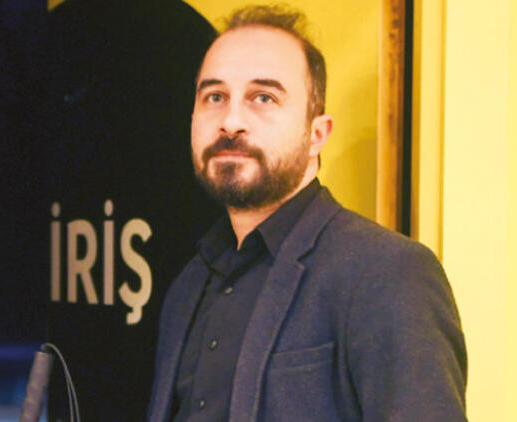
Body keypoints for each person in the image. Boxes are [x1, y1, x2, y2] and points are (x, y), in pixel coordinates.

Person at [147, 5, 467, 422]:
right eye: (215, 97)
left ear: (317, 134)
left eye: (263, 97)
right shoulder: (188, 285)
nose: (231, 121)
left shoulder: (389, 273)